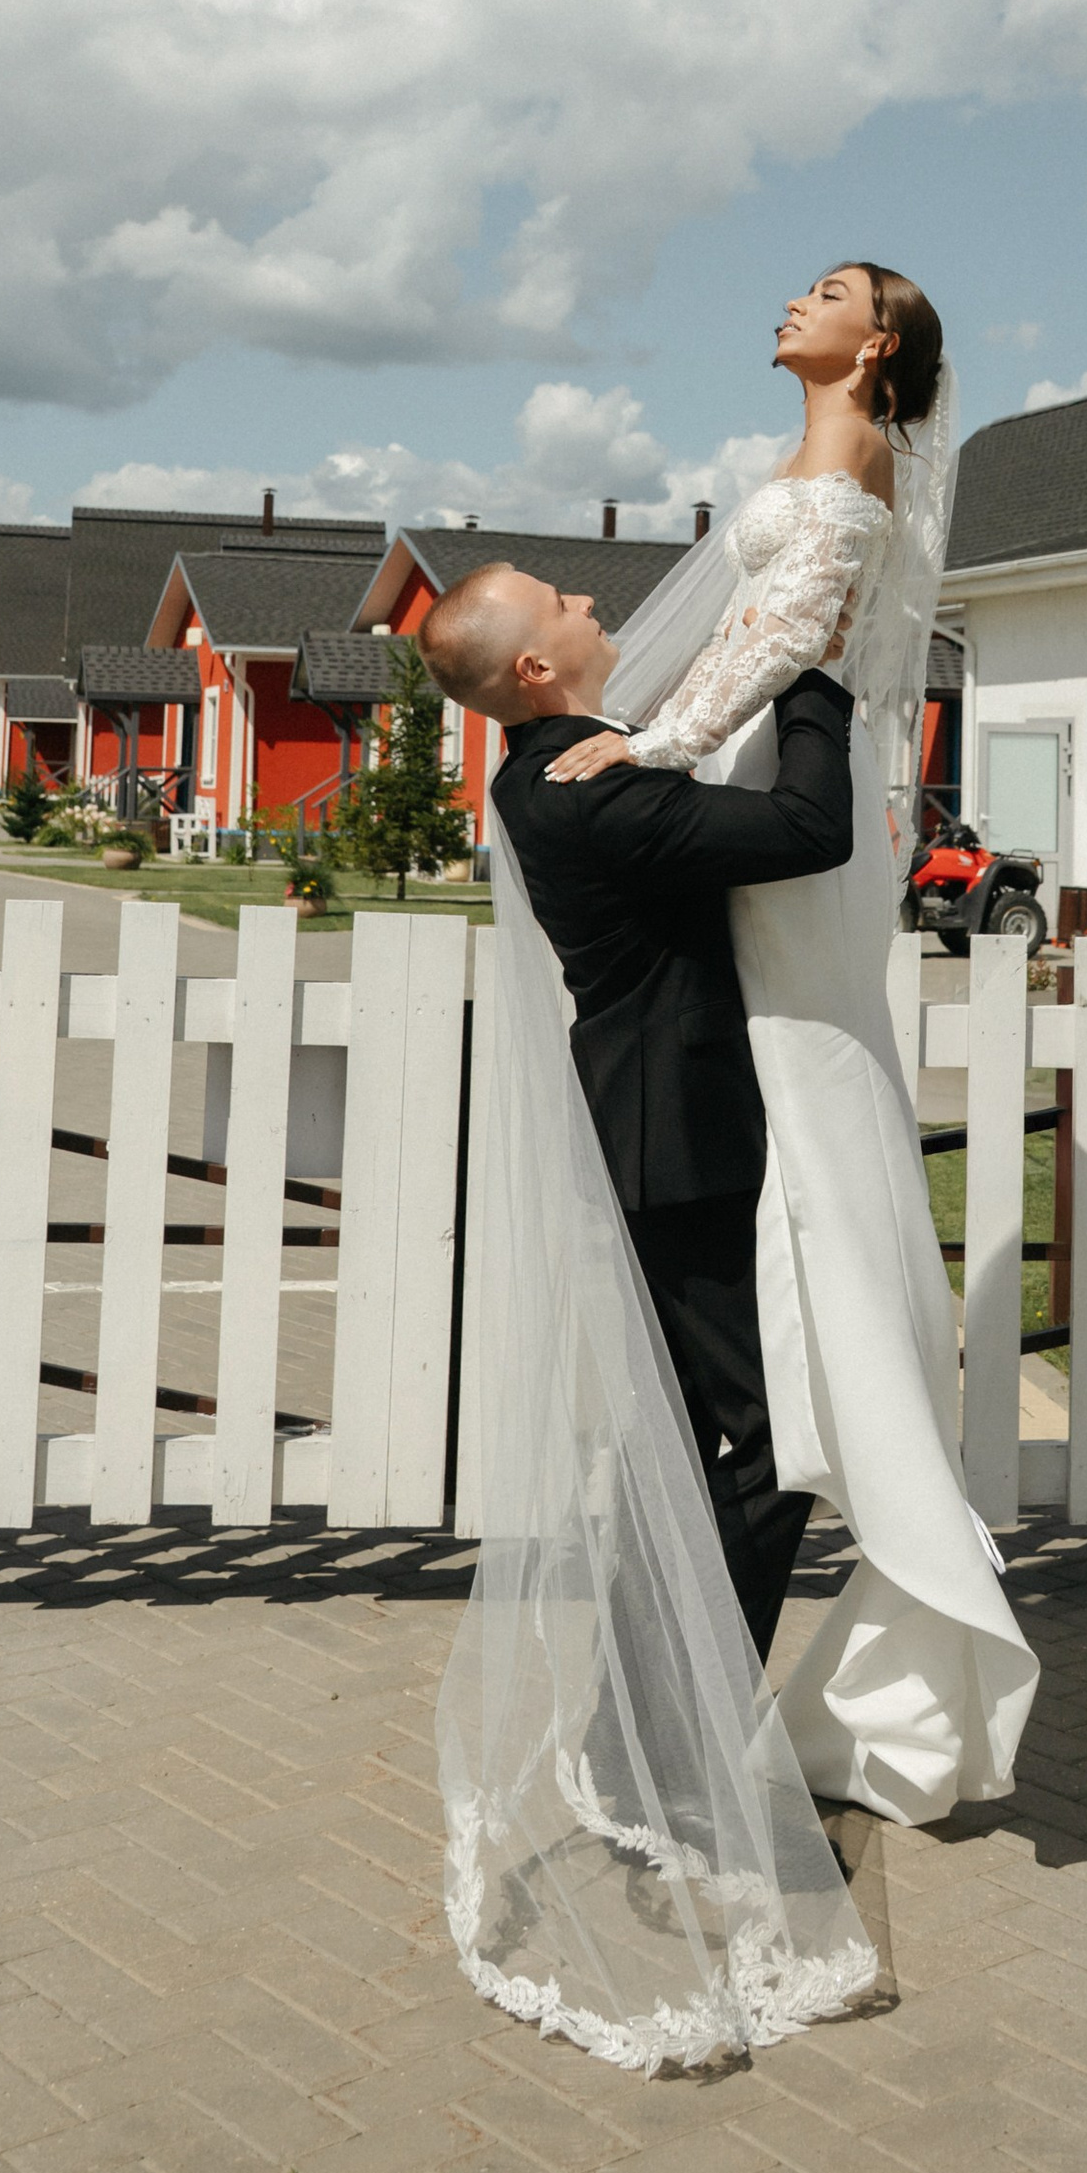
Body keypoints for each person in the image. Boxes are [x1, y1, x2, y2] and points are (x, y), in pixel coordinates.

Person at [541, 263, 1037, 1830]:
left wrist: (655, 748)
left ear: (874, 345)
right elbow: (751, 629)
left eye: (825, 293)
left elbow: (791, 631)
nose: (790, 303)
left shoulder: (852, 466)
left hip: (782, 799)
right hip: (755, 774)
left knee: (798, 1084)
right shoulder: (813, 457)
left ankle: (822, 1373)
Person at [428, 564, 857, 1655]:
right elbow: (811, 827)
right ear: (535, 665)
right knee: (774, 1435)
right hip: (682, 1141)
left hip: (647, 1129)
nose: (586, 600)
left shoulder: (560, 770)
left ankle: (650, 1705)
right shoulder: (595, 789)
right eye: (559, 601)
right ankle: (686, 1702)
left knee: (679, 1433)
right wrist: (815, 675)